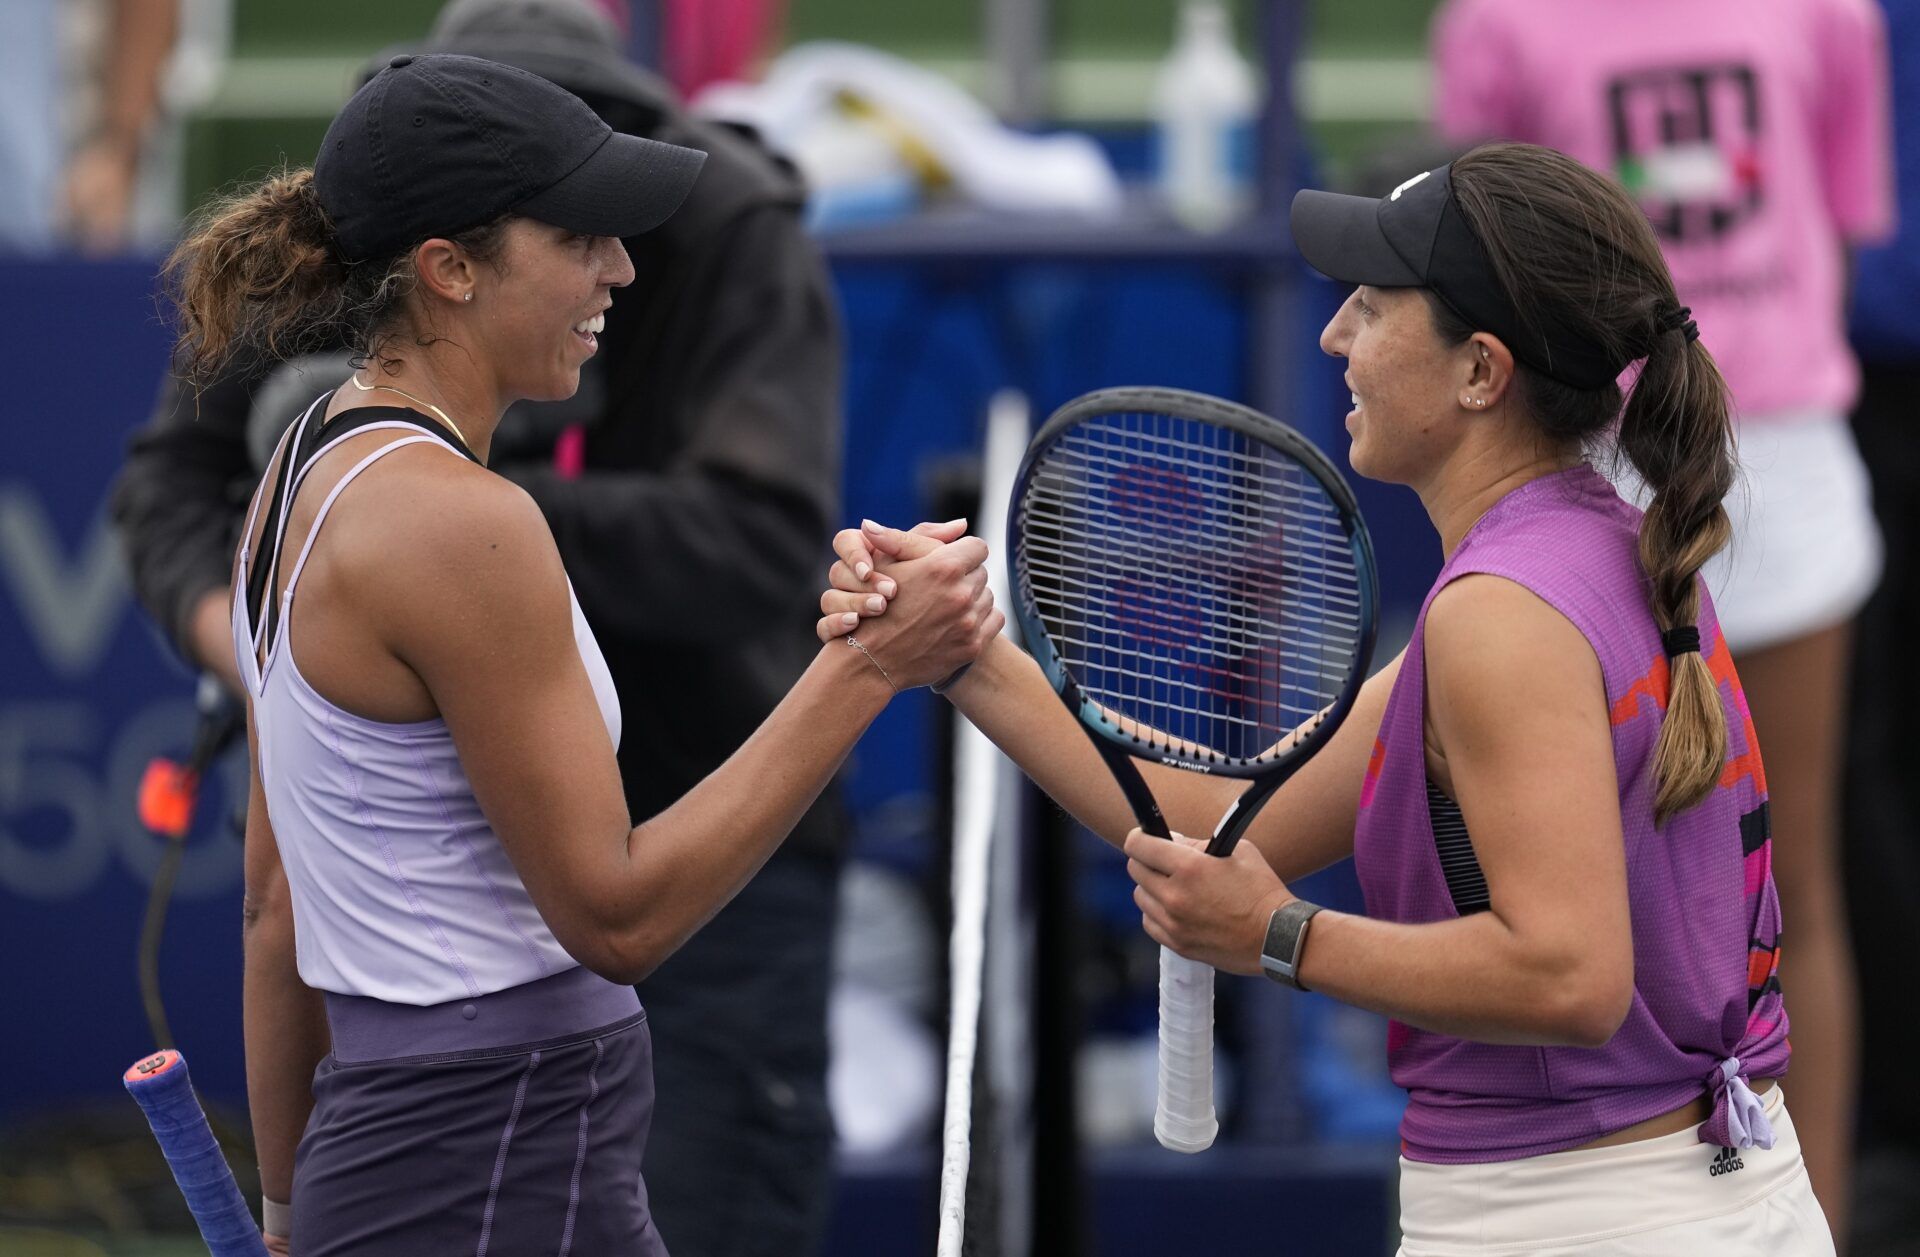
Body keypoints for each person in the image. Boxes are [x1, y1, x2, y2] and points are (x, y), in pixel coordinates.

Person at [830, 142, 1829, 1254]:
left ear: (1480, 372)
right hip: (1696, 1197)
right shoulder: (1590, 553)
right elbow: (1217, 821)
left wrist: (1278, 937)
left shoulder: (1505, 615)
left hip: (1576, 1222)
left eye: (1368, 306)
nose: (1332, 338)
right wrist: (968, 653)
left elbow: (1569, 976)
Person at [165, 52, 999, 1255]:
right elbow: (615, 921)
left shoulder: (297, 468)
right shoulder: (465, 524)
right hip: (506, 1155)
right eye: (580, 238)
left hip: (398, 1163)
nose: (622, 267)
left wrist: (292, 1214)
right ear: (449, 270)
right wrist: (869, 667)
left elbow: (272, 899)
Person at [1427, 4, 1894, 1240]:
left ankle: (1808, 1222)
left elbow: (1835, 238)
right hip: (1594, 465)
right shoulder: (1496, 23)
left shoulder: (1828, 12)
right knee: (1582, 899)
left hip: (1779, 463)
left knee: (1782, 884)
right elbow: (1480, 248)